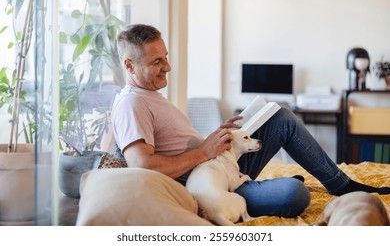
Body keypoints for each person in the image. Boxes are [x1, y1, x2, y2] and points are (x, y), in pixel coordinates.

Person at [111, 24, 390, 219]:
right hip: (208, 186)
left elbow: (174, 147)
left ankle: (340, 184)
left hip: (218, 167)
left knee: (281, 117)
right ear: (129, 65)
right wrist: (204, 152)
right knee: (296, 194)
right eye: (157, 61)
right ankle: (286, 185)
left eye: (167, 57)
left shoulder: (149, 96)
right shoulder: (131, 103)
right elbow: (142, 165)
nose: (168, 67)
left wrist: (218, 138)